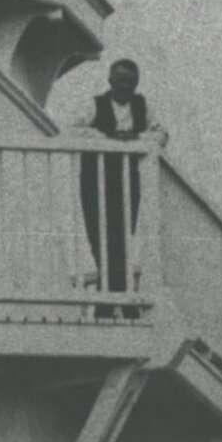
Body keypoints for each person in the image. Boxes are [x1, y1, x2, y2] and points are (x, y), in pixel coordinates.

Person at [77, 56, 166, 295]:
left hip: (127, 180)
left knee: (123, 234)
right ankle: (108, 291)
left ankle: (118, 292)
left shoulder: (142, 106)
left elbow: (160, 135)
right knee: (98, 233)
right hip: (95, 180)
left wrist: (136, 139)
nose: (125, 86)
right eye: (121, 80)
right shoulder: (96, 104)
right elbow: (74, 130)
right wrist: (108, 139)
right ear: (110, 81)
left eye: (130, 81)